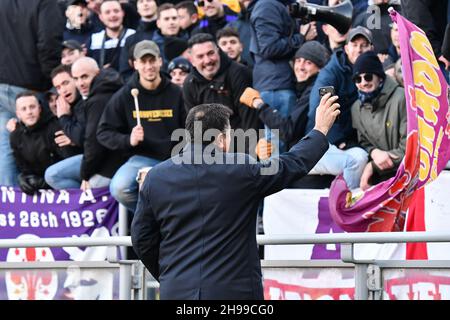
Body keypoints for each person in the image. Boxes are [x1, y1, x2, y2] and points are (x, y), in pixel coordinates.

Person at [131, 92, 340, 300]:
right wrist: (320, 130)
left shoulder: (155, 177)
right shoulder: (241, 169)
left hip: (176, 290)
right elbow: (291, 164)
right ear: (221, 139)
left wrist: (171, 274)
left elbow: (142, 239)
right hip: (234, 293)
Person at [97, 40, 185, 212]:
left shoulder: (177, 93)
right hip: (141, 158)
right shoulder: (125, 95)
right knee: (119, 188)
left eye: (152, 61)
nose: (148, 66)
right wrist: (128, 139)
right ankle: (154, 218)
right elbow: (104, 132)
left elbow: (191, 130)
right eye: (143, 62)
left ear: (160, 61)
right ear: (134, 64)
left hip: (174, 158)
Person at [0, 0, 64, 186]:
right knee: (48, 141)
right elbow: (49, 43)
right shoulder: (45, 3)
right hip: (31, 86)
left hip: (4, 85)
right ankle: (47, 209)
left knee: (5, 149)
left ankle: (8, 208)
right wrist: (54, 82)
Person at [306, 26, 374, 189]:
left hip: (357, 139)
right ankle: (346, 206)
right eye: (354, 45)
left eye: (363, 45)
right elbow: (317, 109)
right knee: (357, 159)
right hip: (326, 140)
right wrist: (341, 141)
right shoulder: (331, 73)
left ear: (371, 49)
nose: (359, 50)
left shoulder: (374, 70)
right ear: (346, 48)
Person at [248, 0, 317, 153]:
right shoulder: (267, 6)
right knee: (278, 151)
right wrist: (302, 37)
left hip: (279, 83)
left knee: (280, 148)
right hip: (276, 87)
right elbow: (269, 47)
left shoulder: (277, 5)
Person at [350, 51, 406, 190]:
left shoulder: (402, 98)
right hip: (379, 178)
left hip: (405, 173)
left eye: (368, 77)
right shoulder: (356, 108)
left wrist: (372, 166)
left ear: (380, 78)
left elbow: (410, 146)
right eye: (358, 79)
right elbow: (363, 141)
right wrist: (374, 152)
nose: (363, 83)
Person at [183, 33, 260, 134]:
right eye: (200, 56)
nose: (207, 60)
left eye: (210, 53)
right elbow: (194, 129)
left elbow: (250, 122)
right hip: (210, 145)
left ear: (218, 52)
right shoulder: (189, 83)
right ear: (192, 61)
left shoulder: (239, 74)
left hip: (241, 142)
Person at [10, 92, 77, 194]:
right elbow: (23, 168)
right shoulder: (15, 136)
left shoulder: (55, 126)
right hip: (40, 187)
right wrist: (22, 177)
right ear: (18, 114)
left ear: (40, 109)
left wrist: (45, 182)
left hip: (63, 183)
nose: (29, 112)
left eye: (32, 107)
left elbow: (68, 165)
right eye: (24, 109)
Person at [86, 0, 136, 71]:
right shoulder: (94, 40)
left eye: (116, 11)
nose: (112, 15)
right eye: (107, 12)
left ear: (122, 13)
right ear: (101, 17)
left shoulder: (134, 35)